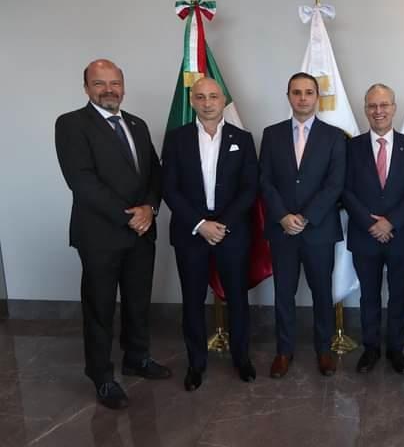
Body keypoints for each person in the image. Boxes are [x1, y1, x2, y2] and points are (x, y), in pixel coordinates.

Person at [55, 59, 171, 410]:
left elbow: (155, 173)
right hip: (100, 235)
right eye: (99, 83)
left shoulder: (137, 124)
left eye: (115, 83)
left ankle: (137, 358)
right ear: (86, 88)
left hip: (142, 231)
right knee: (100, 308)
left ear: (123, 86)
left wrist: (149, 207)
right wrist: (129, 217)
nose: (109, 89)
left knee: (138, 302)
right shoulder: (71, 124)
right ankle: (102, 376)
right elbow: (82, 181)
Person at [162, 77, 258, 391]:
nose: (207, 103)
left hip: (232, 233)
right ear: (192, 101)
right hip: (191, 233)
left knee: (238, 299)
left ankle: (241, 359)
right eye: (201, 97)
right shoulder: (176, 139)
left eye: (213, 97)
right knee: (192, 301)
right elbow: (169, 188)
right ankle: (196, 364)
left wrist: (223, 224)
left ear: (223, 100)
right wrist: (200, 224)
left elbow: (249, 188)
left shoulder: (242, 139)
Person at [259, 72, 347, 378]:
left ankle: (324, 350)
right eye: (296, 92)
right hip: (282, 230)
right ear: (288, 97)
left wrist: (306, 217)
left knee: (322, 293)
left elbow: (335, 184)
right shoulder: (271, 134)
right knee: (283, 293)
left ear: (317, 97)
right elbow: (265, 180)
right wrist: (283, 216)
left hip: (319, 230)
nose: (303, 98)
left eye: (309, 92)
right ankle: (284, 351)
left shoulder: (334, 136)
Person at [343, 84, 404, 375]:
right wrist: (370, 224)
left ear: (394, 107)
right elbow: (345, 190)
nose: (378, 111)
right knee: (369, 297)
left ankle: (395, 350)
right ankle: (370, 349)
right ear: (365, 109)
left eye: (384, 105)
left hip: (402, 235)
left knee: (400, 296)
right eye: (372, 106)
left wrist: (390, 222)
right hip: (364, 236)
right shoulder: (350, 147)